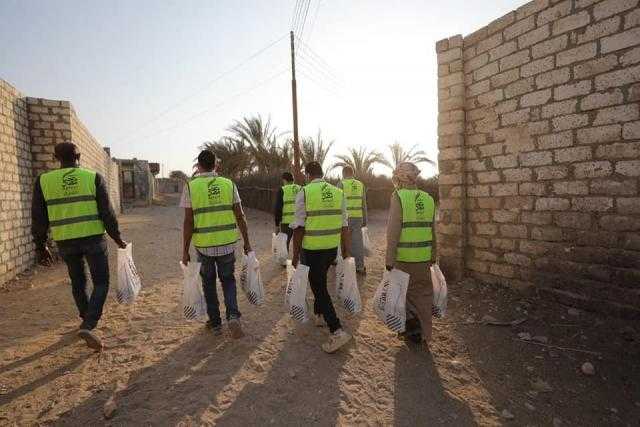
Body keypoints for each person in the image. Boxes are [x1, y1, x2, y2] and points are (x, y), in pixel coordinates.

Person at [31, 142, 126, 351]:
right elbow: (107, 214)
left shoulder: (44, 181)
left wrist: (41, 246)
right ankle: (89, 324)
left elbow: (39, 217)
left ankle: (85, 317)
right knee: (101, 282)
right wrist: (117, 238)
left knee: (78, 280)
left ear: (56, 158)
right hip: (93, 239)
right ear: (79, 156)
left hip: (65, 241)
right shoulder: (92, 178)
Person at [181, 150, 252, 339]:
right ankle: (233, 315)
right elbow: (240, 216)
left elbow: (188, 221)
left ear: (198, 165)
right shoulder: (229, 184)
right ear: (216, 165)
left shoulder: (191, 186)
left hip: (204, 246)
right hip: (227, 244)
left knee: (209, 283)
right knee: (228, 280)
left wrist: (185, 250)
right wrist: (247, 243)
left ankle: (215, 322)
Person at [291, 161, 353, 354]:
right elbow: (344, 226)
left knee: (319, 288)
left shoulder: (305, 192)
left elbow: (299, 227)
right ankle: (318, 315)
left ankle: (336, 329)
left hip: (312, 249)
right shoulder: (338, 192)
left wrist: (294, 254)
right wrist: (346, 250)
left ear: (308, 174)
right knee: (321, 282)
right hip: (330, 249)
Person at [385, 162, 436, 351]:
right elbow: (433, 230)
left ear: (400, 178)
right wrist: (433, 254)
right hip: (423, 257)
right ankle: (425, 333)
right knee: (422, 294)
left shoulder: (398, 197)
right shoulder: (428, 198)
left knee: (403, 294)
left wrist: (389, 259)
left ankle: (409, 327)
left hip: (404, 258)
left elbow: (393, 231)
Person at [338, 166, 368, 274]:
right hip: (358, 217)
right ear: (353, 173)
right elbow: (364, 203)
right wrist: (365, 219)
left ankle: (347, 267)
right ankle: (360, 267)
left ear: (343, 173)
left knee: (344, 242)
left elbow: (338, 204)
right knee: (358, 242)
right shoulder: (361, 184)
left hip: (345, 218)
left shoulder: (341, 184)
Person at [273, 172, 302, 250]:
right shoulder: (301, 189)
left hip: (286, 223)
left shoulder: (282, 190)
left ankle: (283, 260)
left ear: (284, 180)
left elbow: (278, 208)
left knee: (285, 244)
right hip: (299, 222)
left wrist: (277, 224)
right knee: (299, 244)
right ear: (293, 180)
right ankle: (297, 260)